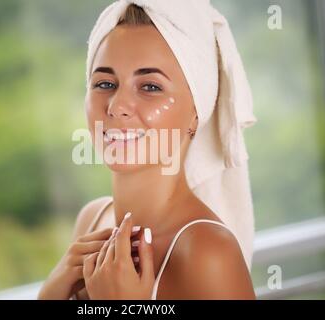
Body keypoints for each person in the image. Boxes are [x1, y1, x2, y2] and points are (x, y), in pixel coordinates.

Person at [39, 0, 257, 300]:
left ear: (196, 113)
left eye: (150, 87)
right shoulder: (92, 220)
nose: (116, 107)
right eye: (104, 83)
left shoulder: (208, 254)